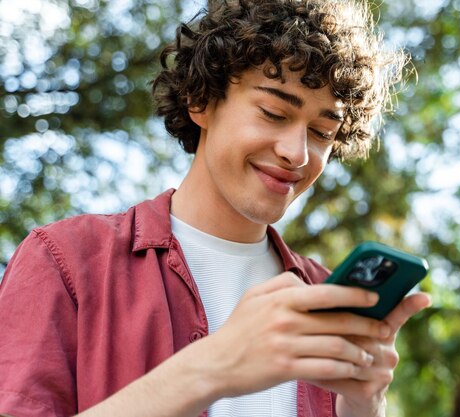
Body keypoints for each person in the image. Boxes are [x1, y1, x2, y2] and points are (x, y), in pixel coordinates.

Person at [0, 0, 431, 416]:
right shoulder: (66, 260)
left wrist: (364, 408)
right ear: (201, 101)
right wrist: (212, 367)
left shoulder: (324, 293)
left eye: (321, 132)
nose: (298, 153)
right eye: (273, 112)